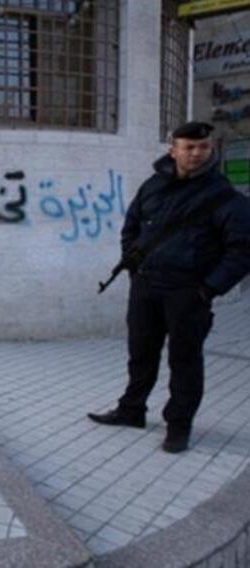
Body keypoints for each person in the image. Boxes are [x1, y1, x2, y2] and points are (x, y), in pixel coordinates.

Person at [88, 121, 250, 453]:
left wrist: (208, 289)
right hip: (146, 287)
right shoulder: (153, 186)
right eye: (189, 147)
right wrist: (134, 266)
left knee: (185, 361)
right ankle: (131, 410)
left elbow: (242, 251)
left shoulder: (225, 197)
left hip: (188, 292)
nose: (196, 153)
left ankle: (178, 425)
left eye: (203, 147)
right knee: (140, 354)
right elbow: (131, 227)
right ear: (173, 150)